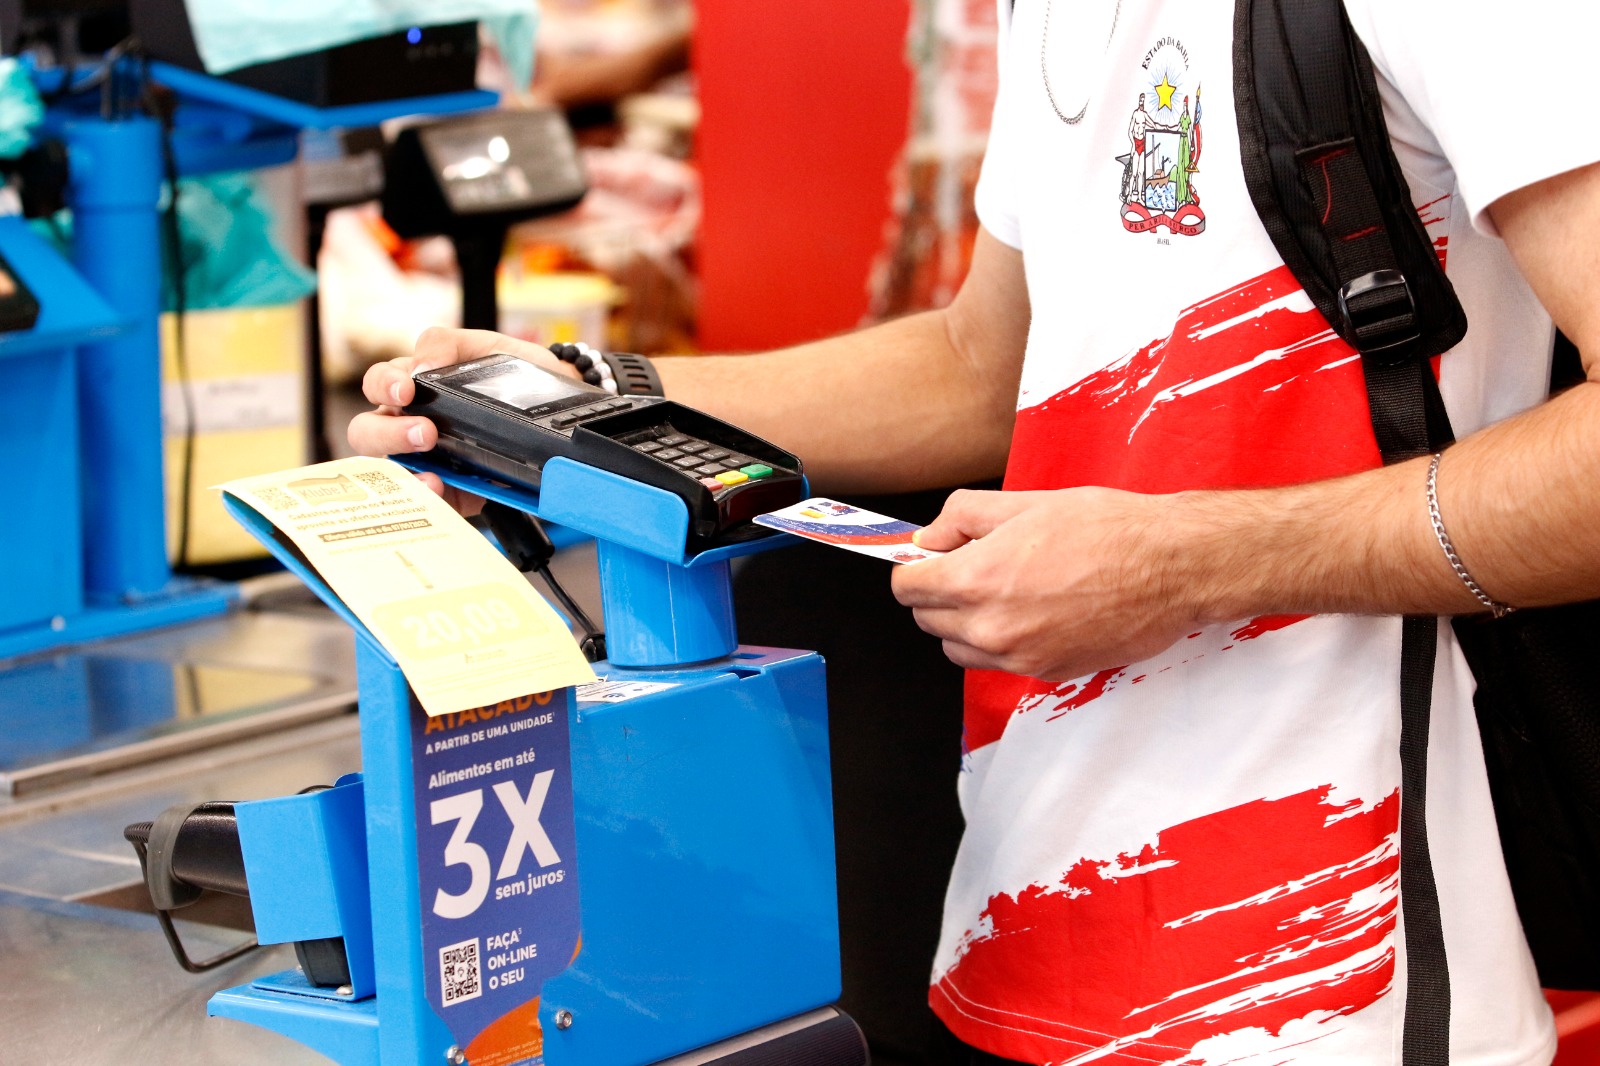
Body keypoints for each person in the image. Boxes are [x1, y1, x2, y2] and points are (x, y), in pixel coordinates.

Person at [350, 1, 1600, 1062]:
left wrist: (1186, 563)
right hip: (1023, 926)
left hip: (1333, 992)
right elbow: (974, 365)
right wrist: (591, 392)